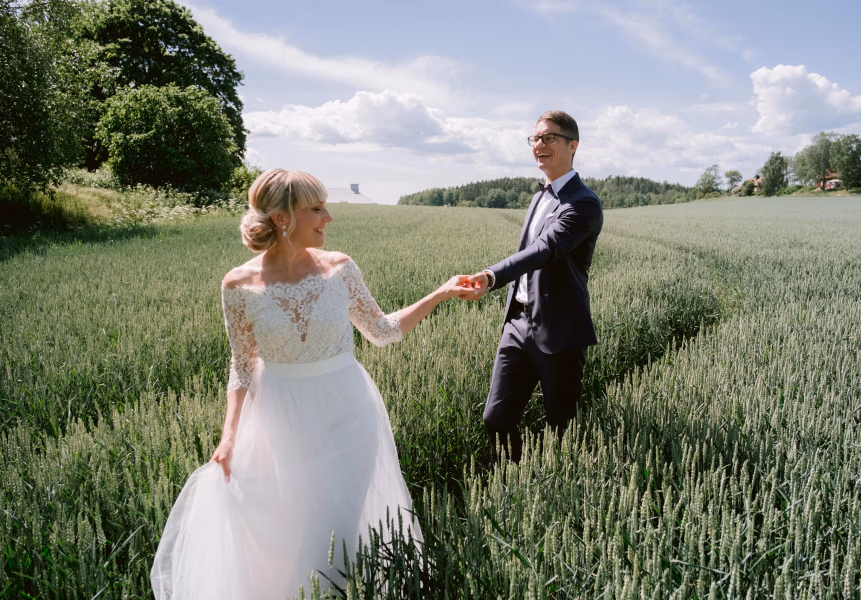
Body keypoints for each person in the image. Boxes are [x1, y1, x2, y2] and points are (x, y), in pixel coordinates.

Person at [151, 169, 469, 599]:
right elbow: (242, 365)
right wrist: (228, 437)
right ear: (283, 218)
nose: (328, 217)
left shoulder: (340, 268)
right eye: (316, 208)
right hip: (280, 420)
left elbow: (382, 330)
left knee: (333, 527)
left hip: (348, 413)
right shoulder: (238, 285)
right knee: (287, 529)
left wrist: (442, 293)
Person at [461, 110, 604, 463]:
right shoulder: (539, 196)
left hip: (559, 331)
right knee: (495, 418)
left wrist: (491, 275)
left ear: (573, 146)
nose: (539, 145)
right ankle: (512, 484)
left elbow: (544, 250)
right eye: (535, 138)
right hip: (517, 324)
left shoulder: (583, 204)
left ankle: (556, 495)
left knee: (561, 429)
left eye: (549, 138)